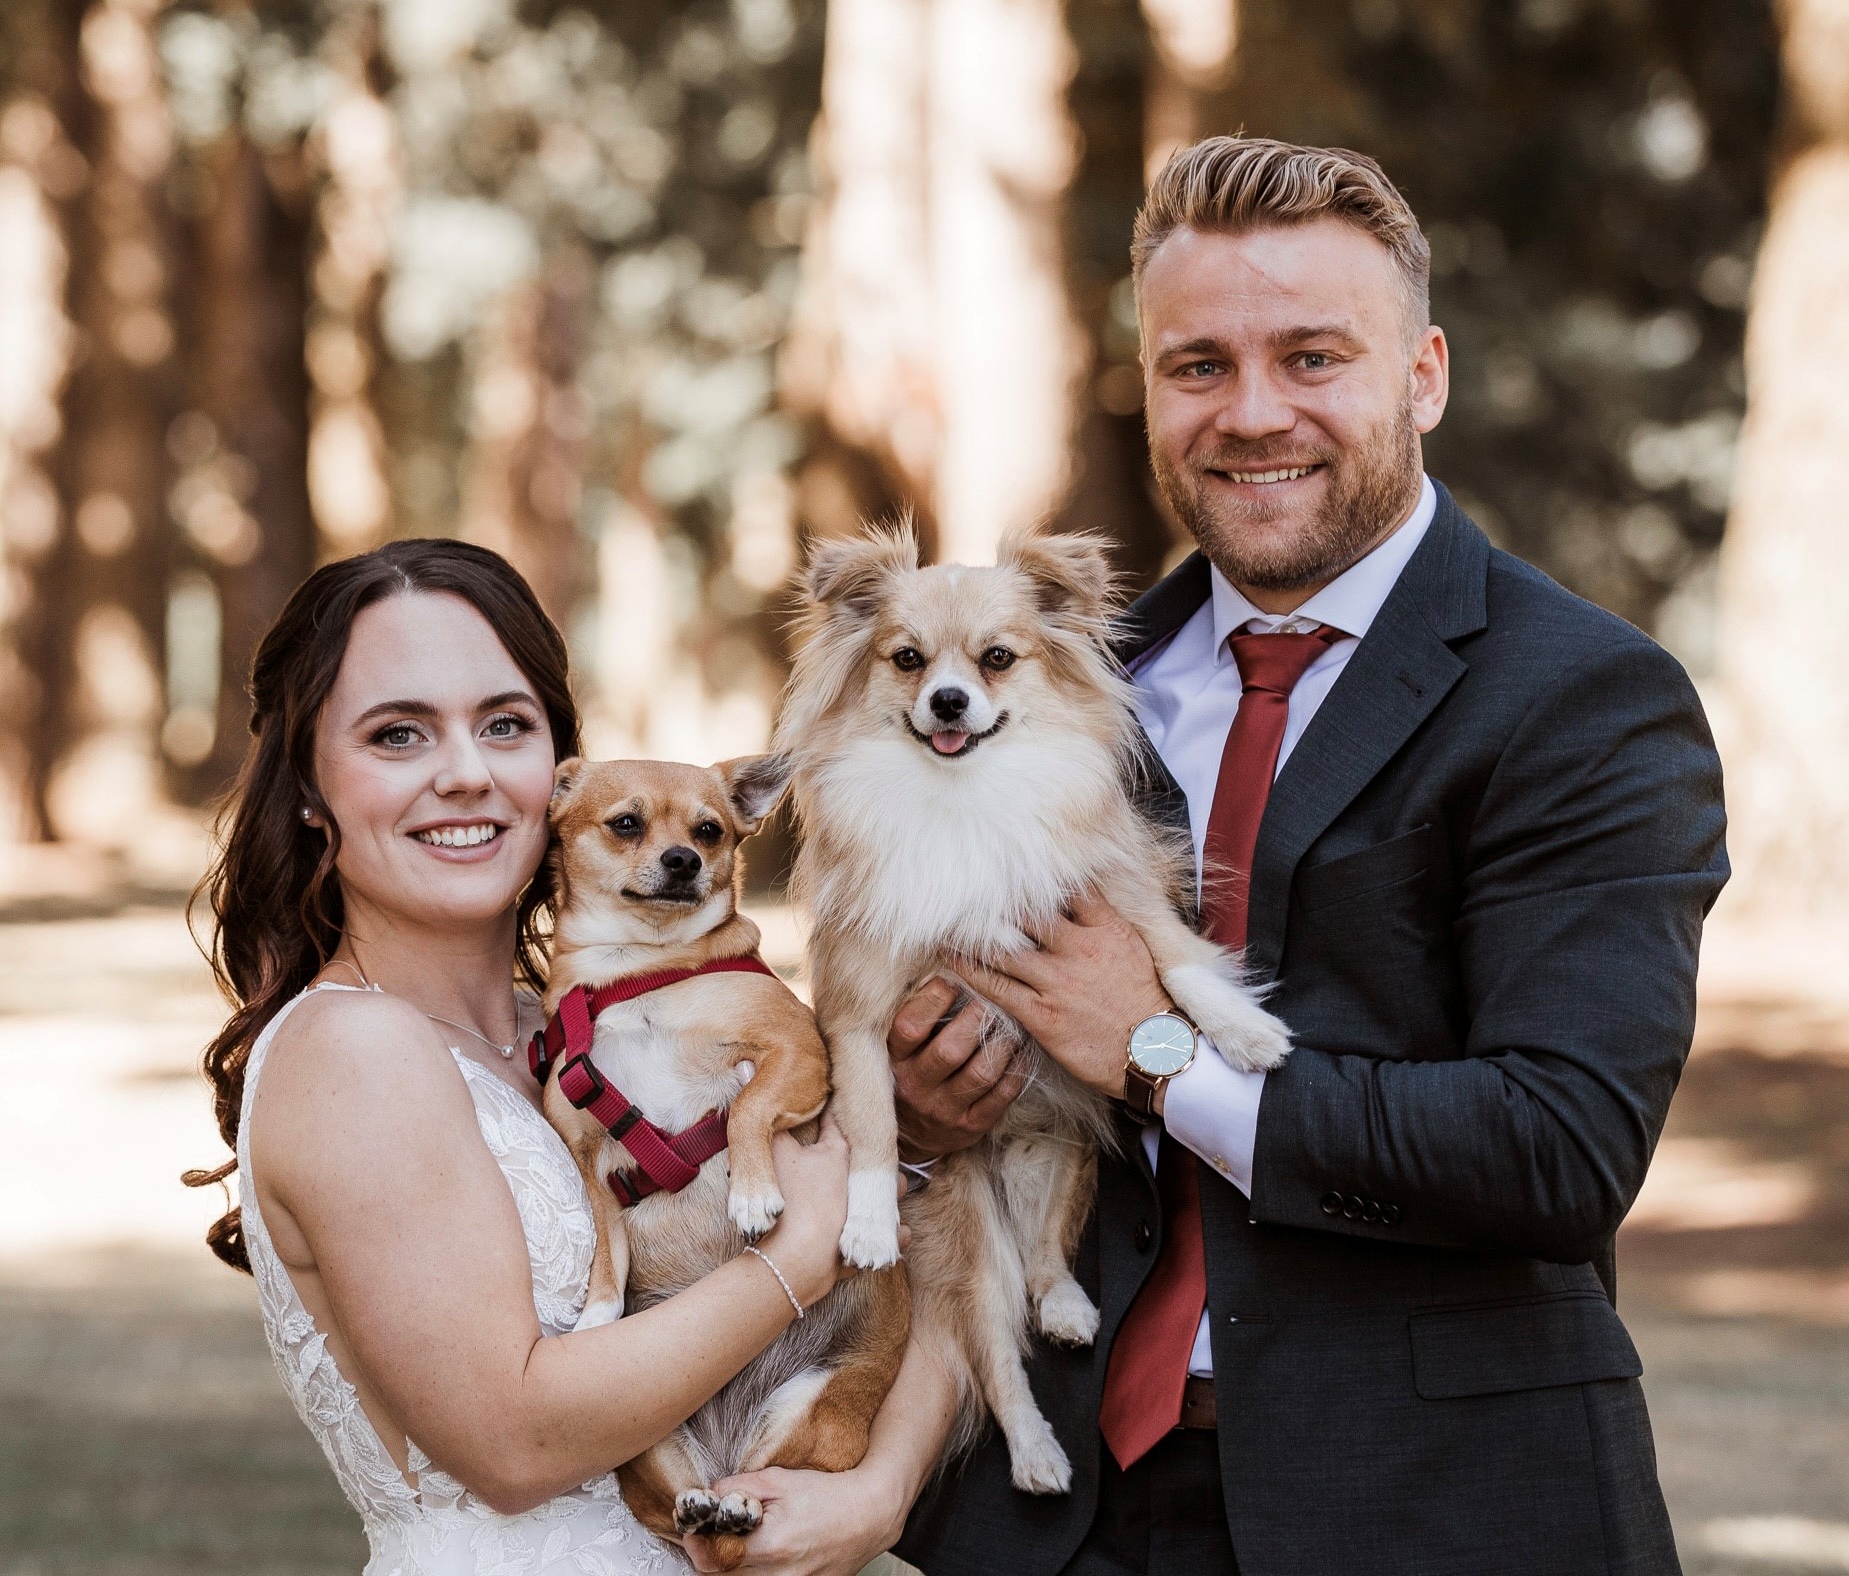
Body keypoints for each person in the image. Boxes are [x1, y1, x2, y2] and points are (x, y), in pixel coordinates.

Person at [877, 137, 1729, 1574]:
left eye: (1313, 356)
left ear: (1425, 375)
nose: (1252, 413)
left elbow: (1560, 1144)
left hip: (1434, 1506)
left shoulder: (1581, 696)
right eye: (1197, 364)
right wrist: (924, 1102)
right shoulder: (1050, 693)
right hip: (1054, 1521)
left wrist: (1153, 1053)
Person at [183, 539, 939, 1575]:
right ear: (309, 787)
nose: (466, 772)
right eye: (397, 733)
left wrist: (878, 1491)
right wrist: (802, 1251)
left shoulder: (581, 1035)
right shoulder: (350, 1051)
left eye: (504, 724)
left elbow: (929, 1264)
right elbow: (513, 1442)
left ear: (559, 771)